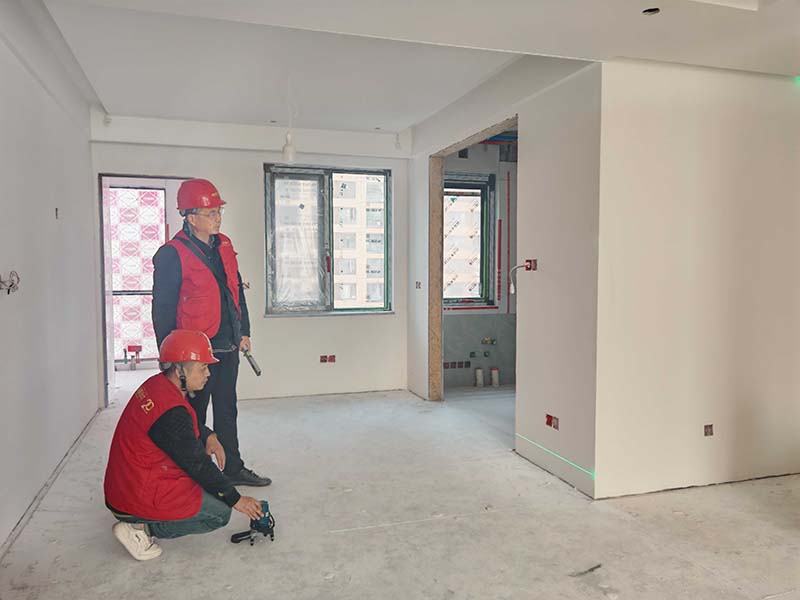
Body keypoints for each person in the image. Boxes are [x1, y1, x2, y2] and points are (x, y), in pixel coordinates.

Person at [104, 329, 264, 561]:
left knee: (206, 487)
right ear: (179, 370)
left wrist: (208, 435)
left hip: (127, 482)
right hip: (135, 493)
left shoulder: (159, 385)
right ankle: (139, 530)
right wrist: (236, 499)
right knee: (219, 513)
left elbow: (183, 425)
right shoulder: (171, 413)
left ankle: (141, 520)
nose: (208, 374)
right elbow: (197, 465)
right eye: (203, 368)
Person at [151, 178, 270, 487]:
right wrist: (169, 356)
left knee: (227, 409)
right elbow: (162, 308)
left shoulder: (224, 245)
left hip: (228, 345)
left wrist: (243, 330)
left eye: (219, 212)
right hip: (194, 353)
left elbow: (235, 290)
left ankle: (232, 468)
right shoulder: (172, 254)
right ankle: (194, 473)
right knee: (193, 415)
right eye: (211, 213)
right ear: (191, 217)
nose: (218, 218)